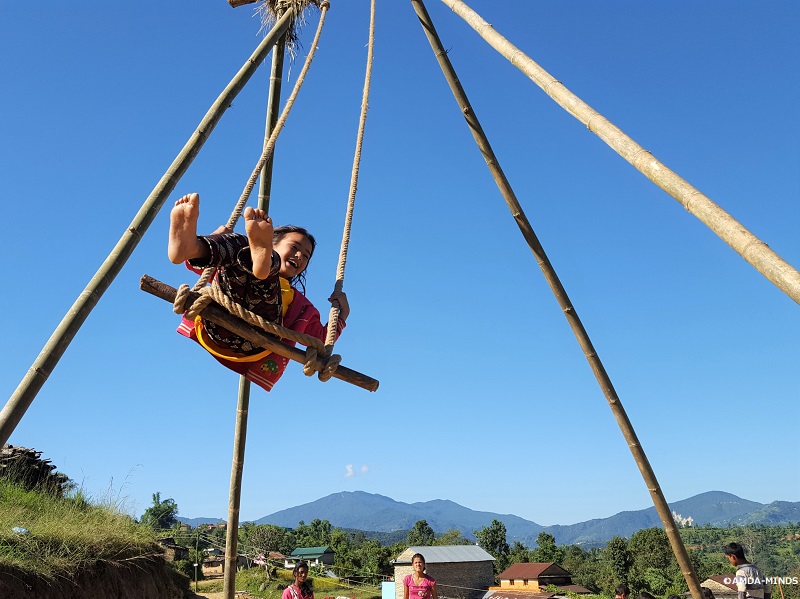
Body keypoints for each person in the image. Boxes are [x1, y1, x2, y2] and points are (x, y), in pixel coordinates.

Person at [168, 193, 349, 391]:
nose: (299, 256)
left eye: (305, 256)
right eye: (294, 247)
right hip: (214, 326)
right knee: (238, 244)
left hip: (253, 342)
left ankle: (263, 263)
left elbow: (321, 338)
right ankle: (190, 246)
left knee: (261, 268)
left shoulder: (302, 306)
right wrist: (219, 235)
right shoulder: (247, 253)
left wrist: (341, 316)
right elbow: (202, 268)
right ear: (271, 243)